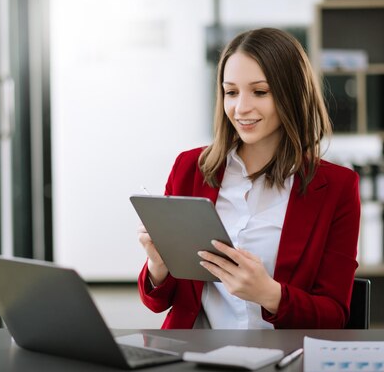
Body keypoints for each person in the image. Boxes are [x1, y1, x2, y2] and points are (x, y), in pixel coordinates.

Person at [136, 28, 361, 330]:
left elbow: (334, 317)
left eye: (260, 92)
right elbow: (158, 302)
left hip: (282, 364)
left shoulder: (337, 188)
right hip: (196, 358)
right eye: (231, 92)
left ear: (292, 94)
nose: (241, 108)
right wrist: (158, 266)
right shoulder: (190, 168)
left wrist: (269, 294)